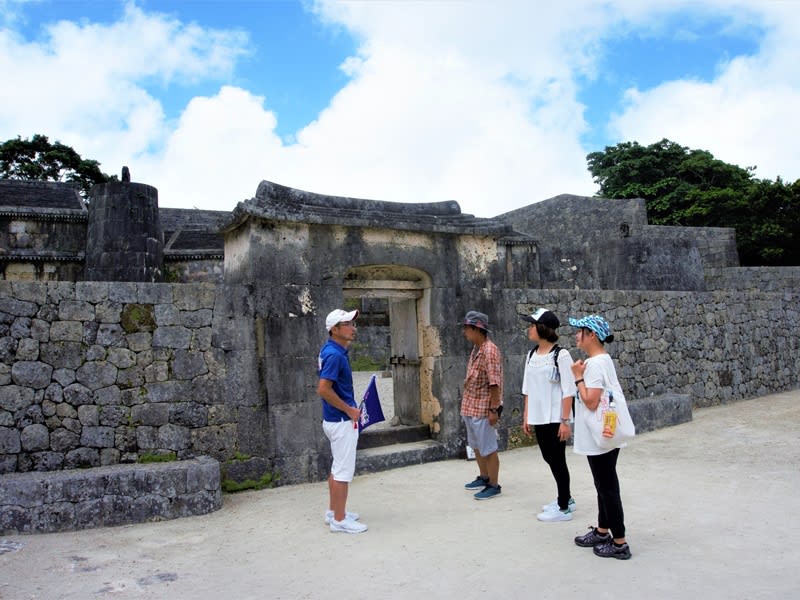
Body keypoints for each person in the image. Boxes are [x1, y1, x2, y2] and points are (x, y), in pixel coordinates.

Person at [569, 314, 632, 559]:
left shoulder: (594, 364)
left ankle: (619, 543)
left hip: (599, 437)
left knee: (607, 487)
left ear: (591, 335)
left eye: (580, 331)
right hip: (607, 433)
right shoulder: (603, 360)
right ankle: (603, 530)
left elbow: (591, 401)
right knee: (603, 485)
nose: (576, 335)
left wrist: (578, 377)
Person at [520, 308, 577, 522]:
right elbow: (527, 389)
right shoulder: (531, 354)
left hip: (555, 418)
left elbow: (568, 390)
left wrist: (565, 421)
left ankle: (563, 507)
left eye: (531, 325)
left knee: (558, 459)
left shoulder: (561, 355)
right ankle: (566, 497)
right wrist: (526, 416)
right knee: (549, 457)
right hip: (538, 417)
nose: (529, 329)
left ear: (541, 328)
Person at [318, 308, 368, 534]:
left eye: (352, 323)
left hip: (334, 420)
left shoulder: (332, 350)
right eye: (347, 324)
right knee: (343, 472)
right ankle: (339, 519)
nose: (353, 327)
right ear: (334, 329)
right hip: (341, 421)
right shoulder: (335, 355)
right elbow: (323, 389)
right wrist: (350, 410)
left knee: (337, 468)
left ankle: (334, 511)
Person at [460, 310, 504, 500]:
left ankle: (494, 484)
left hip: (483, 407)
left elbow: (494, 383)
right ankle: (484, 476)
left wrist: (494, 409)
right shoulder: (477, 348)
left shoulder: (489, 350)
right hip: (471, 405)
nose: (465, 332)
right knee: (476, 445)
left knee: (488, 447)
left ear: (477, 329)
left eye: (467, 328)